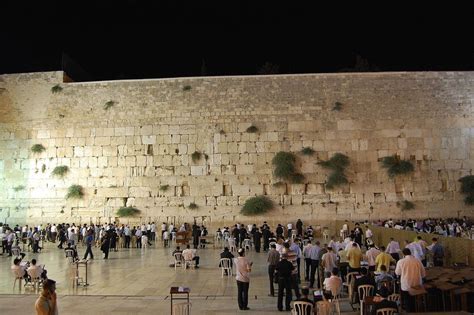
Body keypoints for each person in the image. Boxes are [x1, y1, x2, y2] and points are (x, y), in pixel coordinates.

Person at [395, 248, 426, 312]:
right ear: (410, 253)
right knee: (416, 300)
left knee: (407, 301)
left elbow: (397, 273)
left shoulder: (401, 261)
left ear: (403, 254)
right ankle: (418, 310)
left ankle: (409, 311)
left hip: (406, 286)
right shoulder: (417, 261)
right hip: (417, 285)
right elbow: (423, 273)